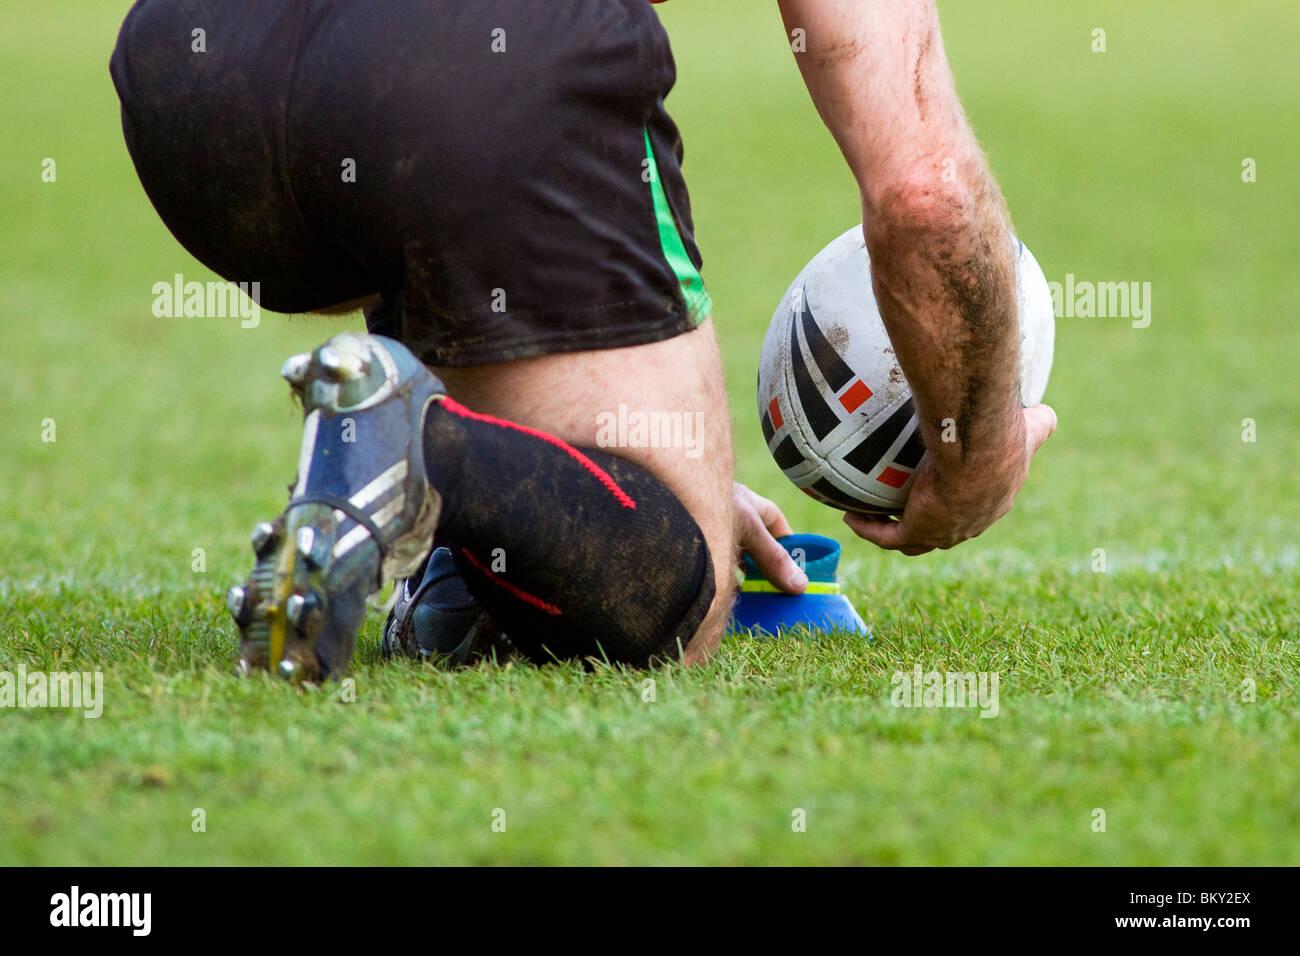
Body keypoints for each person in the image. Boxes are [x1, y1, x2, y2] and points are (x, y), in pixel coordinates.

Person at [110, 0, 1056, 680]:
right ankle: (419, 456)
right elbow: (923, 193)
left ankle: (471, 524)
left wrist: (594, 461)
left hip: (191, 83)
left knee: (419, 164)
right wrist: (973, 452)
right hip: (467, 61)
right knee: (676, 596)